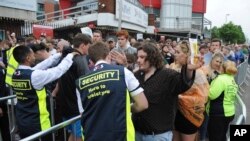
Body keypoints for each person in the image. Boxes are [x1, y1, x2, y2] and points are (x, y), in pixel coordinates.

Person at [75, 42, 148, 141]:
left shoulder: (80, 82)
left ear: (91, 60)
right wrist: (125, 108)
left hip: (92, 135)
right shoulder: (123, 72)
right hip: (120, 135)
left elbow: (83, 114)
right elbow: (142, 104)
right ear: (108, 55)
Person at [132, 42, 203, 141]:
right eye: (138, 57)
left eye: (142, 57)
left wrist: (188, 70)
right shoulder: (136, 76)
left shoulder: (167, 75)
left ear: (153, 57)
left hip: (157, 136)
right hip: (137, 133)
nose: (138, 60)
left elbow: (182, 84)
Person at [11, 45, 77, 139]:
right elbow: (58, 71)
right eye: (32, 54)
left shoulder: (16, 74)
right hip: (38, 123)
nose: (34, 56)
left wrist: (59, 55)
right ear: (28, 58)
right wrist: (70, 56)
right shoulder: (34, 76)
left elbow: (41, 66)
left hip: (22, 121)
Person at [170, 42, 209, 141]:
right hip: (175, 113)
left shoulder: (198, 73)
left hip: (189, 115)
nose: (175, 54)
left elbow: (203, 97)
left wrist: (180, 97)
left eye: (178, 52)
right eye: (175, 51)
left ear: (187, 55)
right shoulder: (172, 67)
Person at [57, 33, 91, 141]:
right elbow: (86, 84)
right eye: (88, 46)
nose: (89, 49)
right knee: (79, 137)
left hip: (65, 105)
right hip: (75, 107)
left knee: (73, 135)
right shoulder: (80, 60)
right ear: (83, 45)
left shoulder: (65, 57)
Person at [206, 60, 238, 141]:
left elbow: (211, 95)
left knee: (215, 137)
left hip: (219, 114)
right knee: (222, 135)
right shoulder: (232, 79)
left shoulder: (221, 79)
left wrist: (205, 87)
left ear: (222, 68)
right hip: (229, 112)